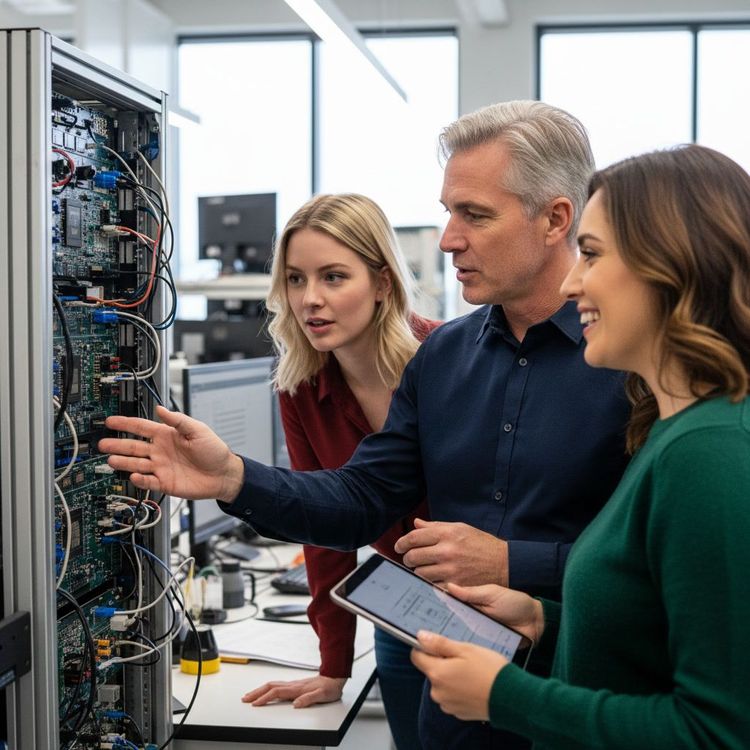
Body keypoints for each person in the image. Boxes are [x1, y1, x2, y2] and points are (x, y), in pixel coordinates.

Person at [99, 100, 632, 750]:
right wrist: (233, 477)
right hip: (455, 707)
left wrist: (516, 562)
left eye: (475, 215)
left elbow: (670, 566)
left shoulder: (632, 362)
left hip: (586, 702)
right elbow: (362, 501)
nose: (447, 239)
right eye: (448, 212)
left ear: (555, 219)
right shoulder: (443, 359)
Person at [410, 144, 750, 749]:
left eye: (590, 255)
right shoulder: (672, 432)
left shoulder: (711, 454)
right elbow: (650, 649)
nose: (571, 281)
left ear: (672, 266)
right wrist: (543, 622)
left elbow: (717, 733)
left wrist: (506, 696)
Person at [238, 193, 440, 750]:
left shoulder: (448, 356)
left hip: (483, 609)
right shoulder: (300, 384)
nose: (311, 300)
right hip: (397, 606)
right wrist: (334, 664)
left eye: (333, 277)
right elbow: (323, 527)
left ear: (381, 281)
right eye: (296, 280)